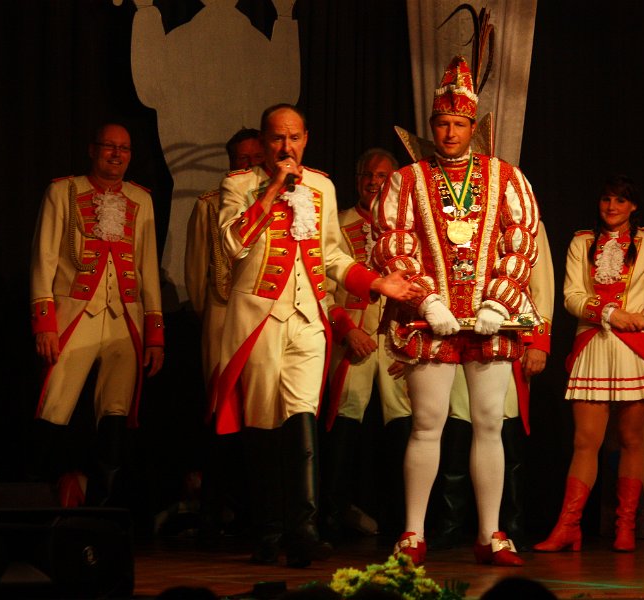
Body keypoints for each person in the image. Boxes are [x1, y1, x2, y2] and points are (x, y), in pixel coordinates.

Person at [213, 104, 418, 568]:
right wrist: (271, 193)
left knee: (302, 415)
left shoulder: (322, 186)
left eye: (294, 138)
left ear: (306, 138)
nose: (286, 147)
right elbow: (231, 244)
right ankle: (268, 531)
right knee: (265, 423)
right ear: (264, 141)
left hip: (308, 317)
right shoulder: (239, 185)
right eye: (277, 138)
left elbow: (333, 256)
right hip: (260, 318)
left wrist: (377, 282)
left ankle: (303, 531)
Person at [373, 55, 540, 567]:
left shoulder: (506, 177)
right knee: (427, 423)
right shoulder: (407, 178)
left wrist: (498, 300)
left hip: (489, 320)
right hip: (430, 320)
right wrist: (425, 298)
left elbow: (521, 240)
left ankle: (491, 534)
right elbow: (392, 242)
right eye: (442, 124)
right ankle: (412, 533)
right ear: (432, 126)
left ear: (474, 127)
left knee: (489, 422)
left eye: (459, 124)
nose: (450, 132)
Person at [534, 175, 644, 553]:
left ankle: (625, 525)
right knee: (584, 441)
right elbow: (571, 296)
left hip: (633, 352)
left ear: (633, 206)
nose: (612, 207)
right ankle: (568, 526)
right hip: (593, 345)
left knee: (630, 439)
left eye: (620, 201)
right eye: (606, 199)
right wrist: (610, 313)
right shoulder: (582, 242)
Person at [29, 123, 165, 506]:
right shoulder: (63, 192)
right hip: (75, 313)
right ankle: (40, 497)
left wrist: (155, 333)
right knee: (54, 404)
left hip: (125, 317)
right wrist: (44, 323)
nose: (116, 154)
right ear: (93, 149)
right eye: (109, 146)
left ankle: (103, 508)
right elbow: (43, 258)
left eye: (124, 148)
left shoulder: (141, 199)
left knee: (116, 411)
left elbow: (148, 268)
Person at [428, 222, 553, 552]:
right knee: (456, 425)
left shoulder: (524, 221)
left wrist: (539, 342)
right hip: (453, 334)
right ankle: (451, 522)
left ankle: (509, 523)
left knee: (499, 426)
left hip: (502, 336)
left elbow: (540, 286)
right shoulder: (455, 214)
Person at [322, 148, 412, 540]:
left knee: (402, 429)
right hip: (353, 341)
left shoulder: (411, 228)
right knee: (343, 429)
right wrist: (345, 329)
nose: (373, 182)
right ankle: (330, 517)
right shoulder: (338, 223)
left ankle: (404, 523)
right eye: (367, 175)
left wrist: (412, 342)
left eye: (382, 176)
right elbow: (321, 286)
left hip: (396, 341)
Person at [183, 128, 264, 540]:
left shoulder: (277, 200)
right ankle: (214, 510)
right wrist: (209, 315)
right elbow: (197, 269)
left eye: (254, 158)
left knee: (258, 412)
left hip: (262, 315)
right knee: (220, 411)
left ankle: (256, 510)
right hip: (221, 313)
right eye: (240, 159)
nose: (247, 165)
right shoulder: (209, 205)